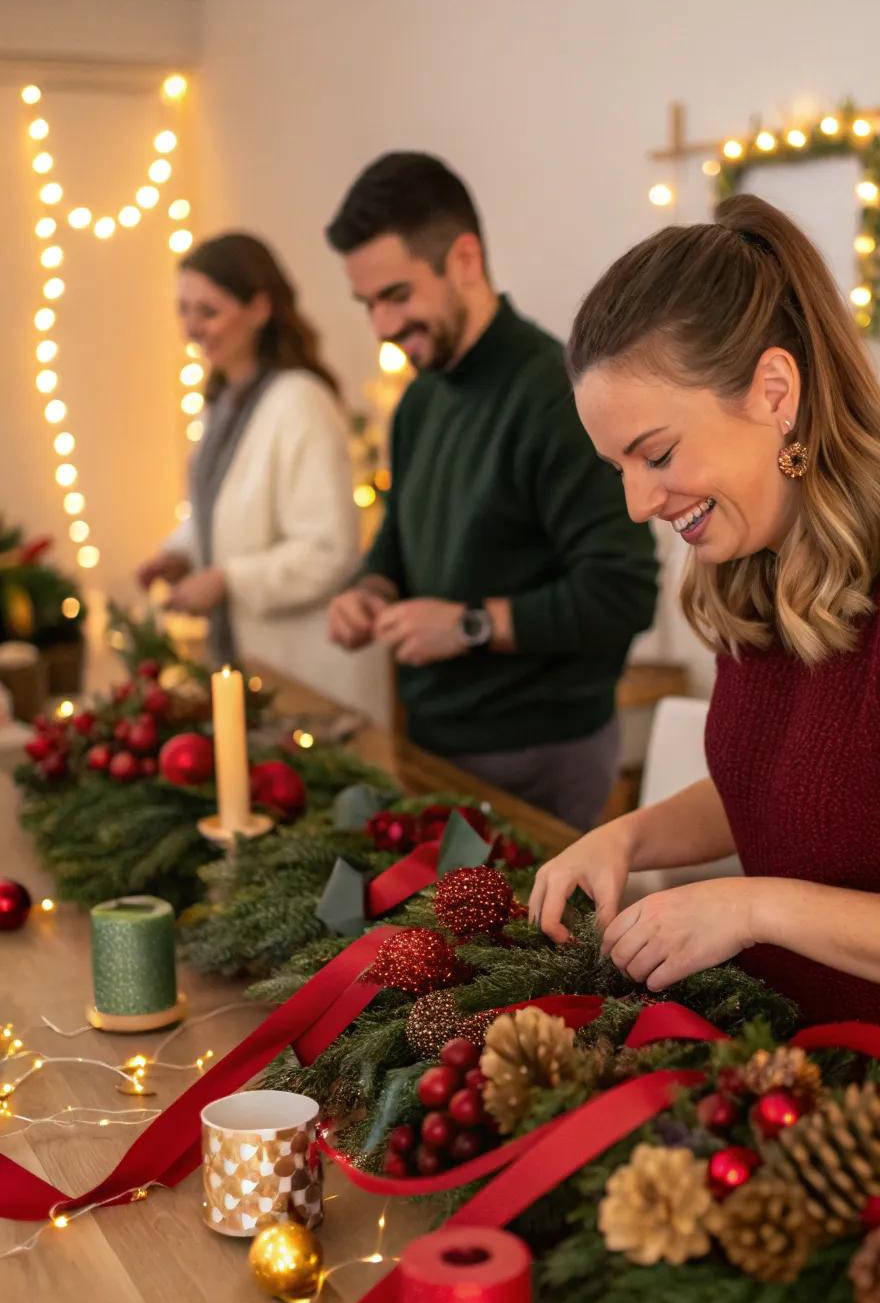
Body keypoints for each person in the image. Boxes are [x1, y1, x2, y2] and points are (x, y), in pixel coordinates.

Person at [529, 193, 880, 1115]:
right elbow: (793, 780)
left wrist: (756, 907)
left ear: (774, 392)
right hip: (816, 1098)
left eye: (657, 453)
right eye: (619, 469)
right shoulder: (758, 562)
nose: (639, 501)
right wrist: (629, 834)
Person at [323, 153, 659, 829]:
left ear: (465, 260)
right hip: (436, 747)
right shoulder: (420, 399)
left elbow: (623, 591)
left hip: (542, 758)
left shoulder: (555, 394)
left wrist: (469, 624)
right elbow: (400, 538)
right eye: (367, 304)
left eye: (397, 295)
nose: (382, 327)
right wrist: (371, 590)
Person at [137, 233, 360, 699]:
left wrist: (227, 581)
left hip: (305, 675)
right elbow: (215, 513)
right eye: (184, 309)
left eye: (209, 311)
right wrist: (178, 553)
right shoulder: (221, 404)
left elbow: (328, 552)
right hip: (245, 664)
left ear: (260, 309)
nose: (191, 328)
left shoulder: (302, 403)